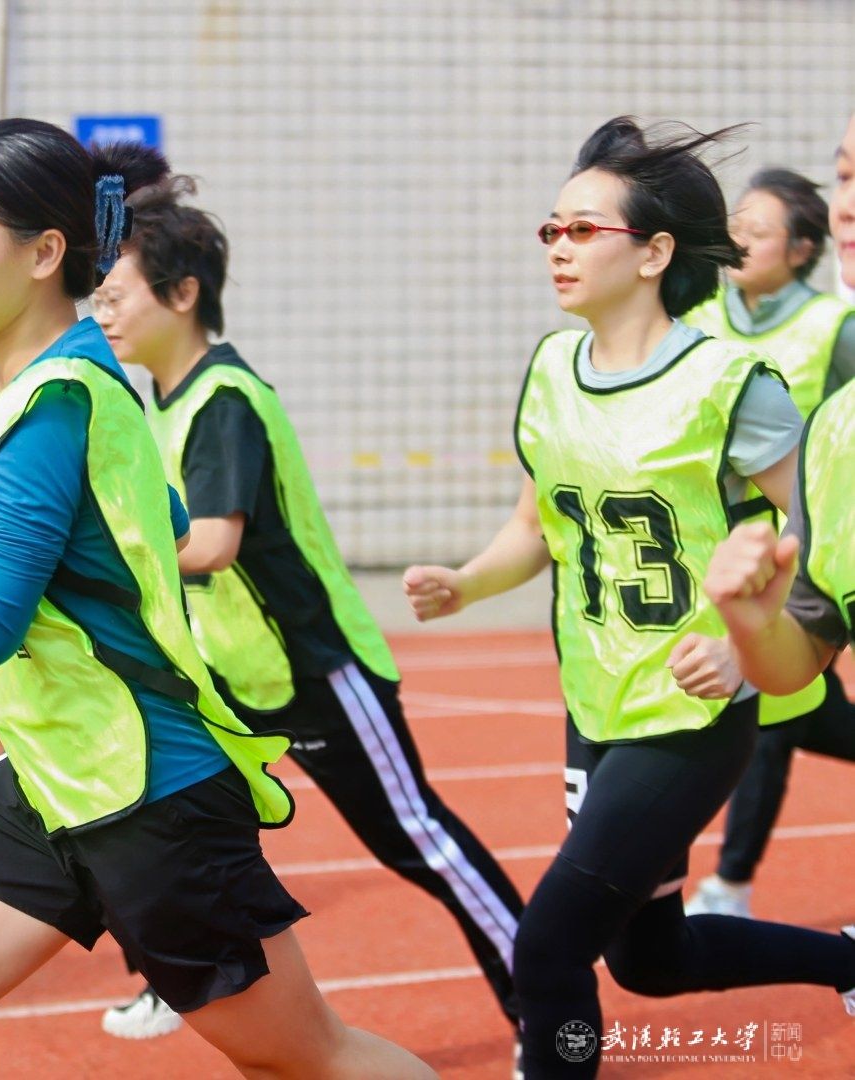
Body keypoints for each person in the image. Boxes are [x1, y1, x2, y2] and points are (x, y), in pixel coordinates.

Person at [0, 118, 433, 1079]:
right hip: (53, 773)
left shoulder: (55, 400)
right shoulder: (75, 382)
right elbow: (120, 547)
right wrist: (14, 601)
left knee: (306, 1060)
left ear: (44, 253)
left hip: (148, 794)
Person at [402, 118, 855, 1078]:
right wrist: (468, 580)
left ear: (653, 252)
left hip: (690, 711)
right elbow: (536, 527)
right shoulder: (551, 372)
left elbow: (819, 533)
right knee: (649, 962)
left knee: (549, 947)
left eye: (582, 230)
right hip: (594, 707)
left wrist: (749, 642)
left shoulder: (731, 385)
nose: (558, 248)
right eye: (551, 230)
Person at [90, 179, 523, 1043]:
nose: (102, 312)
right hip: (232, 675)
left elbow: (211, 541)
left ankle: (547, 1005)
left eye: (116, 295)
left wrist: (97, 572)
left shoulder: (223, 402)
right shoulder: (162, 405)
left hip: (315, 669)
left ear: (181, 296)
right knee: (156, 825)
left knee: (418, 843)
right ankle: (175, 975)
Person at [681, 167, 855, 918]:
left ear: (802, 248)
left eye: (755, 232)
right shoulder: (696, 316)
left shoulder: (832, 329)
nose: (738, 243)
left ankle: (733, 883)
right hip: (729, 559)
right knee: (784, 704)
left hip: (812, 545)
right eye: (734, 230)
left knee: (772, 715)